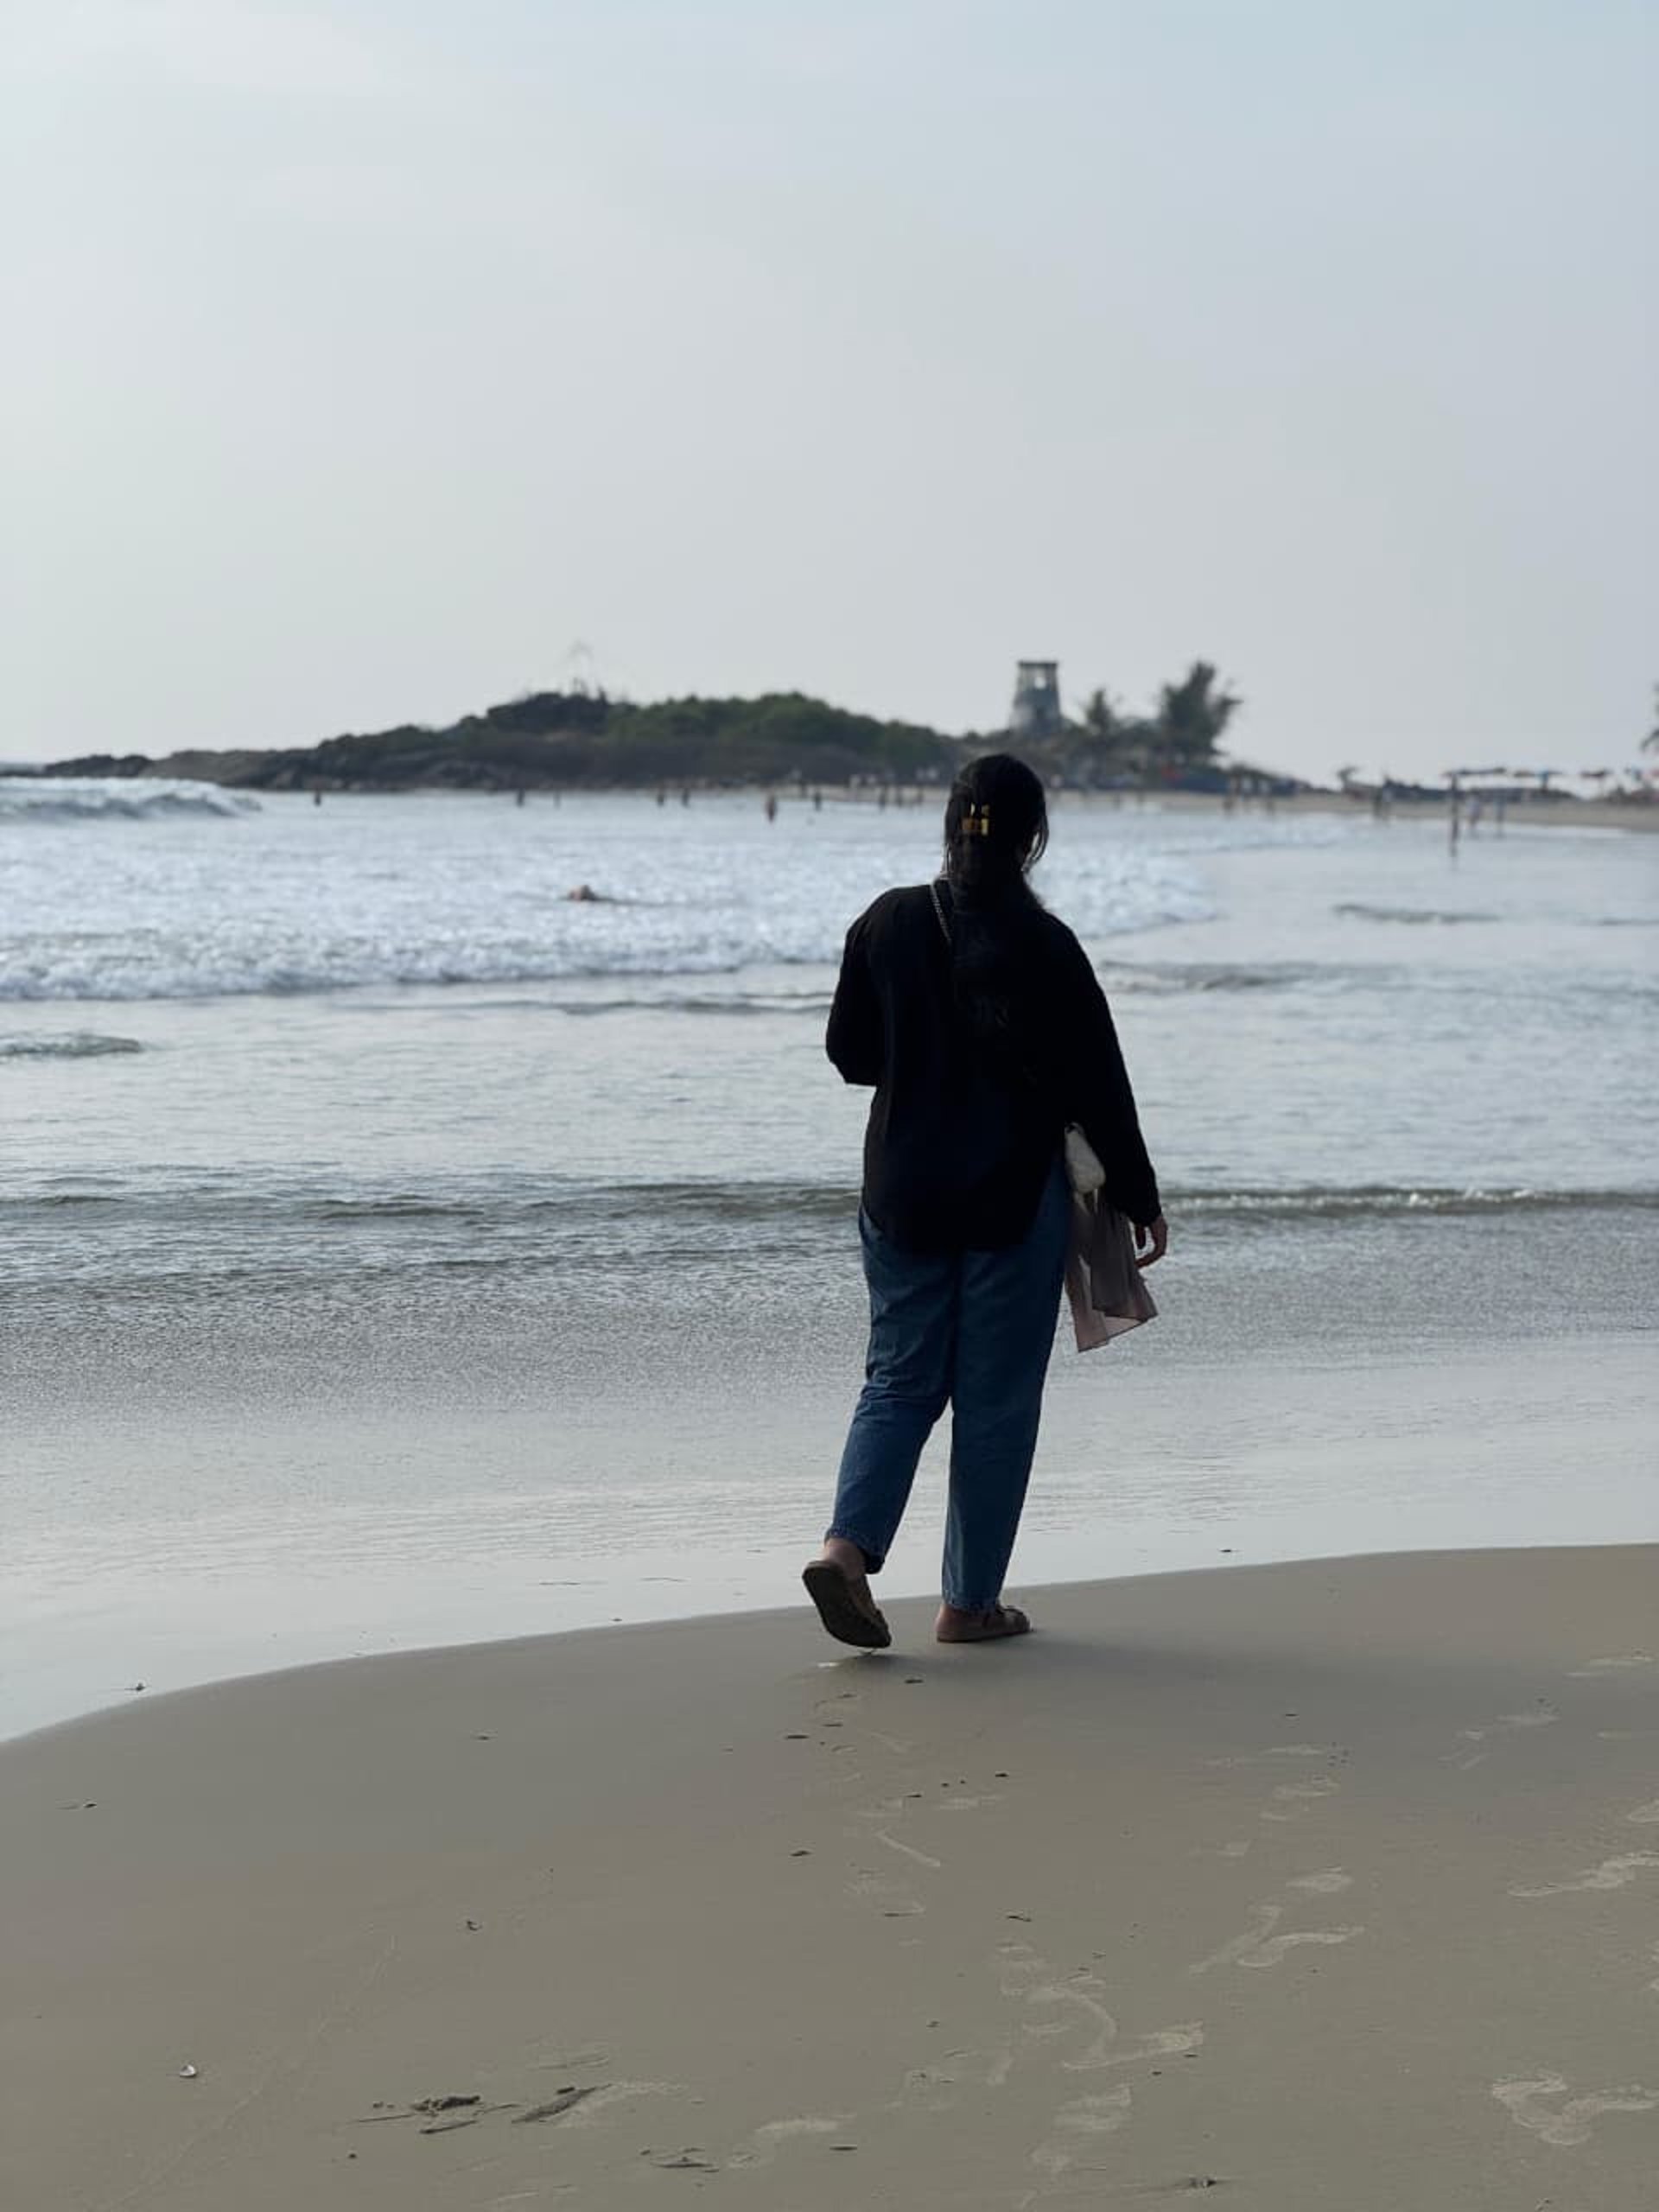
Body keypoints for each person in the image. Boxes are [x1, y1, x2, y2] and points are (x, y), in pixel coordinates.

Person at [804, 753, 1167, 1651]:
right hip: (1012, 1197)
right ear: (1031, 837)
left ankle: (845, 1551)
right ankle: (968, 1605)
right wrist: (1137, 1192)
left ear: (949, 823)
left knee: (898, 1379)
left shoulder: (887, 922)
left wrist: (921, 1055)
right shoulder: (1047, 944)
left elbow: (849, 1053)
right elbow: (1098, 1082)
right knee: (997, 1400)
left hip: (903, 1190)